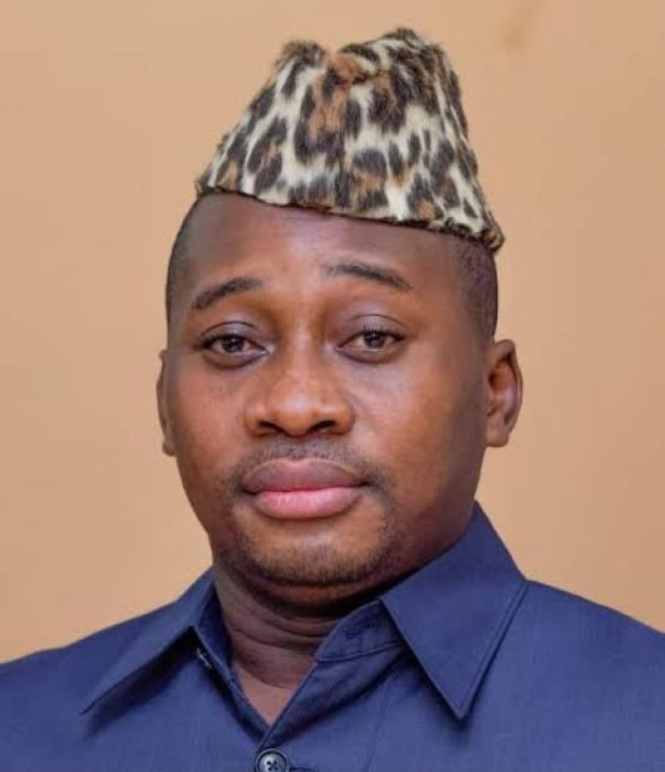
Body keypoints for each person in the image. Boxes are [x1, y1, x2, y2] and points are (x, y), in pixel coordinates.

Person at [1, 27, 664, 772]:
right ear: (164, 404)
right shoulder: (19, 730)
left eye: (372, 338)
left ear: (494, 393)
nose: (294, 404)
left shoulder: (645, 723)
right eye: (232, 343)